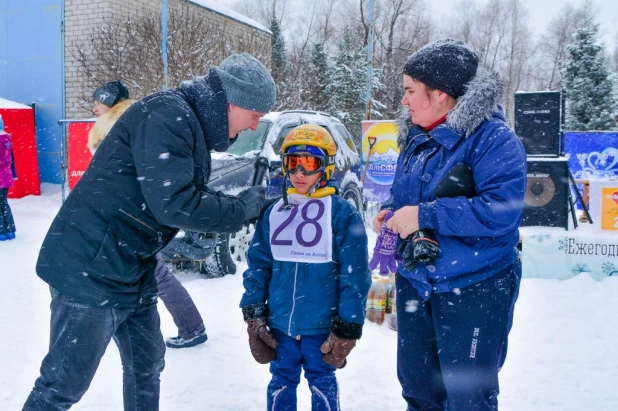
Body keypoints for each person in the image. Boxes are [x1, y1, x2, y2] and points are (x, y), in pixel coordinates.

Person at [24, 52, 276, 411]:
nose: (254, 126)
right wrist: (242, 208)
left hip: (131, 265)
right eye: (255, 116)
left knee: (146, 365)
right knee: (63, 384)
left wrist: (246, 204)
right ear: (234, 102)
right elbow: (175, 204)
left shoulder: (189, 124)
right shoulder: (168, 115)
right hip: (92, 266)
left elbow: (187, 192)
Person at [372, 38, 526, 410]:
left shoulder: (495, 141)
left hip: (476, 286)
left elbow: (501, 212)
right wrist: (392, 213)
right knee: (419, 391)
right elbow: (407, 195)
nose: (404, 100)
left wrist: (424, 215)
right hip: (416, 282)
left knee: (468, 398)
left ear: (440, 94)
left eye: (410, 91)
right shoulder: (415, 137)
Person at [240, 124, 371, 411]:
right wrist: (253, 313)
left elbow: (356, 276)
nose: (299, 173)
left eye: (309, 163)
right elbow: (259, 266)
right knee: (281, 381)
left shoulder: (342, 215)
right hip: (280, 325)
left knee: (321, 381)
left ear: (325, 167)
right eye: (293, 163)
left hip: (321, 328)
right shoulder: (275, 211)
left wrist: (347, 326)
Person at [88, 81, 208, 349]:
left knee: (157, 276)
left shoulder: (115, 127)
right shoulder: (126, 122)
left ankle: (191, 327)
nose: (94, 107)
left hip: (131, 218)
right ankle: (188, 326)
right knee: (150, 275)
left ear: (109, 103)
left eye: (98, 101)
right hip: (130, 217)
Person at [0, 115, 17, 241]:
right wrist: (13, 174)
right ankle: (10, 231)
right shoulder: (6, 140)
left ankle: (1, 232)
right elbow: (12, 160)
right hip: (6, 177)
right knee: (4, 203)